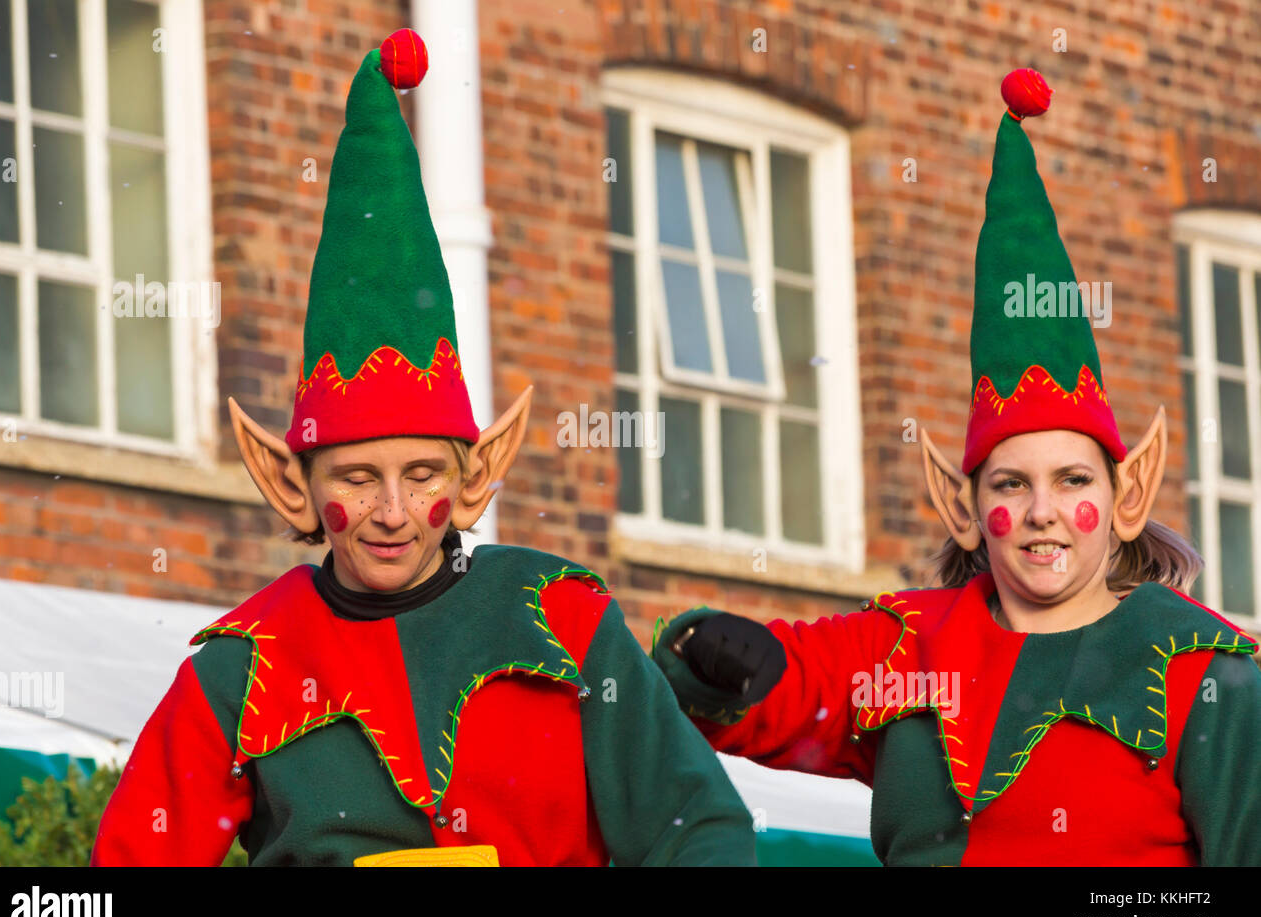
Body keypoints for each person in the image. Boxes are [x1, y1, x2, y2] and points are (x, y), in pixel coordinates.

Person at [90, 29, 755, 867]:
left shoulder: (562, 617)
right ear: (292, 487)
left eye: (423, 474)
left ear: (475, 478)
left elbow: (696, 825)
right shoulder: (241, 666)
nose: (395, 512)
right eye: (359, 478)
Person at [649, 69, 1261, 866]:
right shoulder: (905, 649)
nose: (1042, 509)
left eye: (1074, 481)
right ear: (963, 506)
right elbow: (782, 690)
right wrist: (714, 654)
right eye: (1011, 484)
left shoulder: (1208, 671)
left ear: (1127, 494)